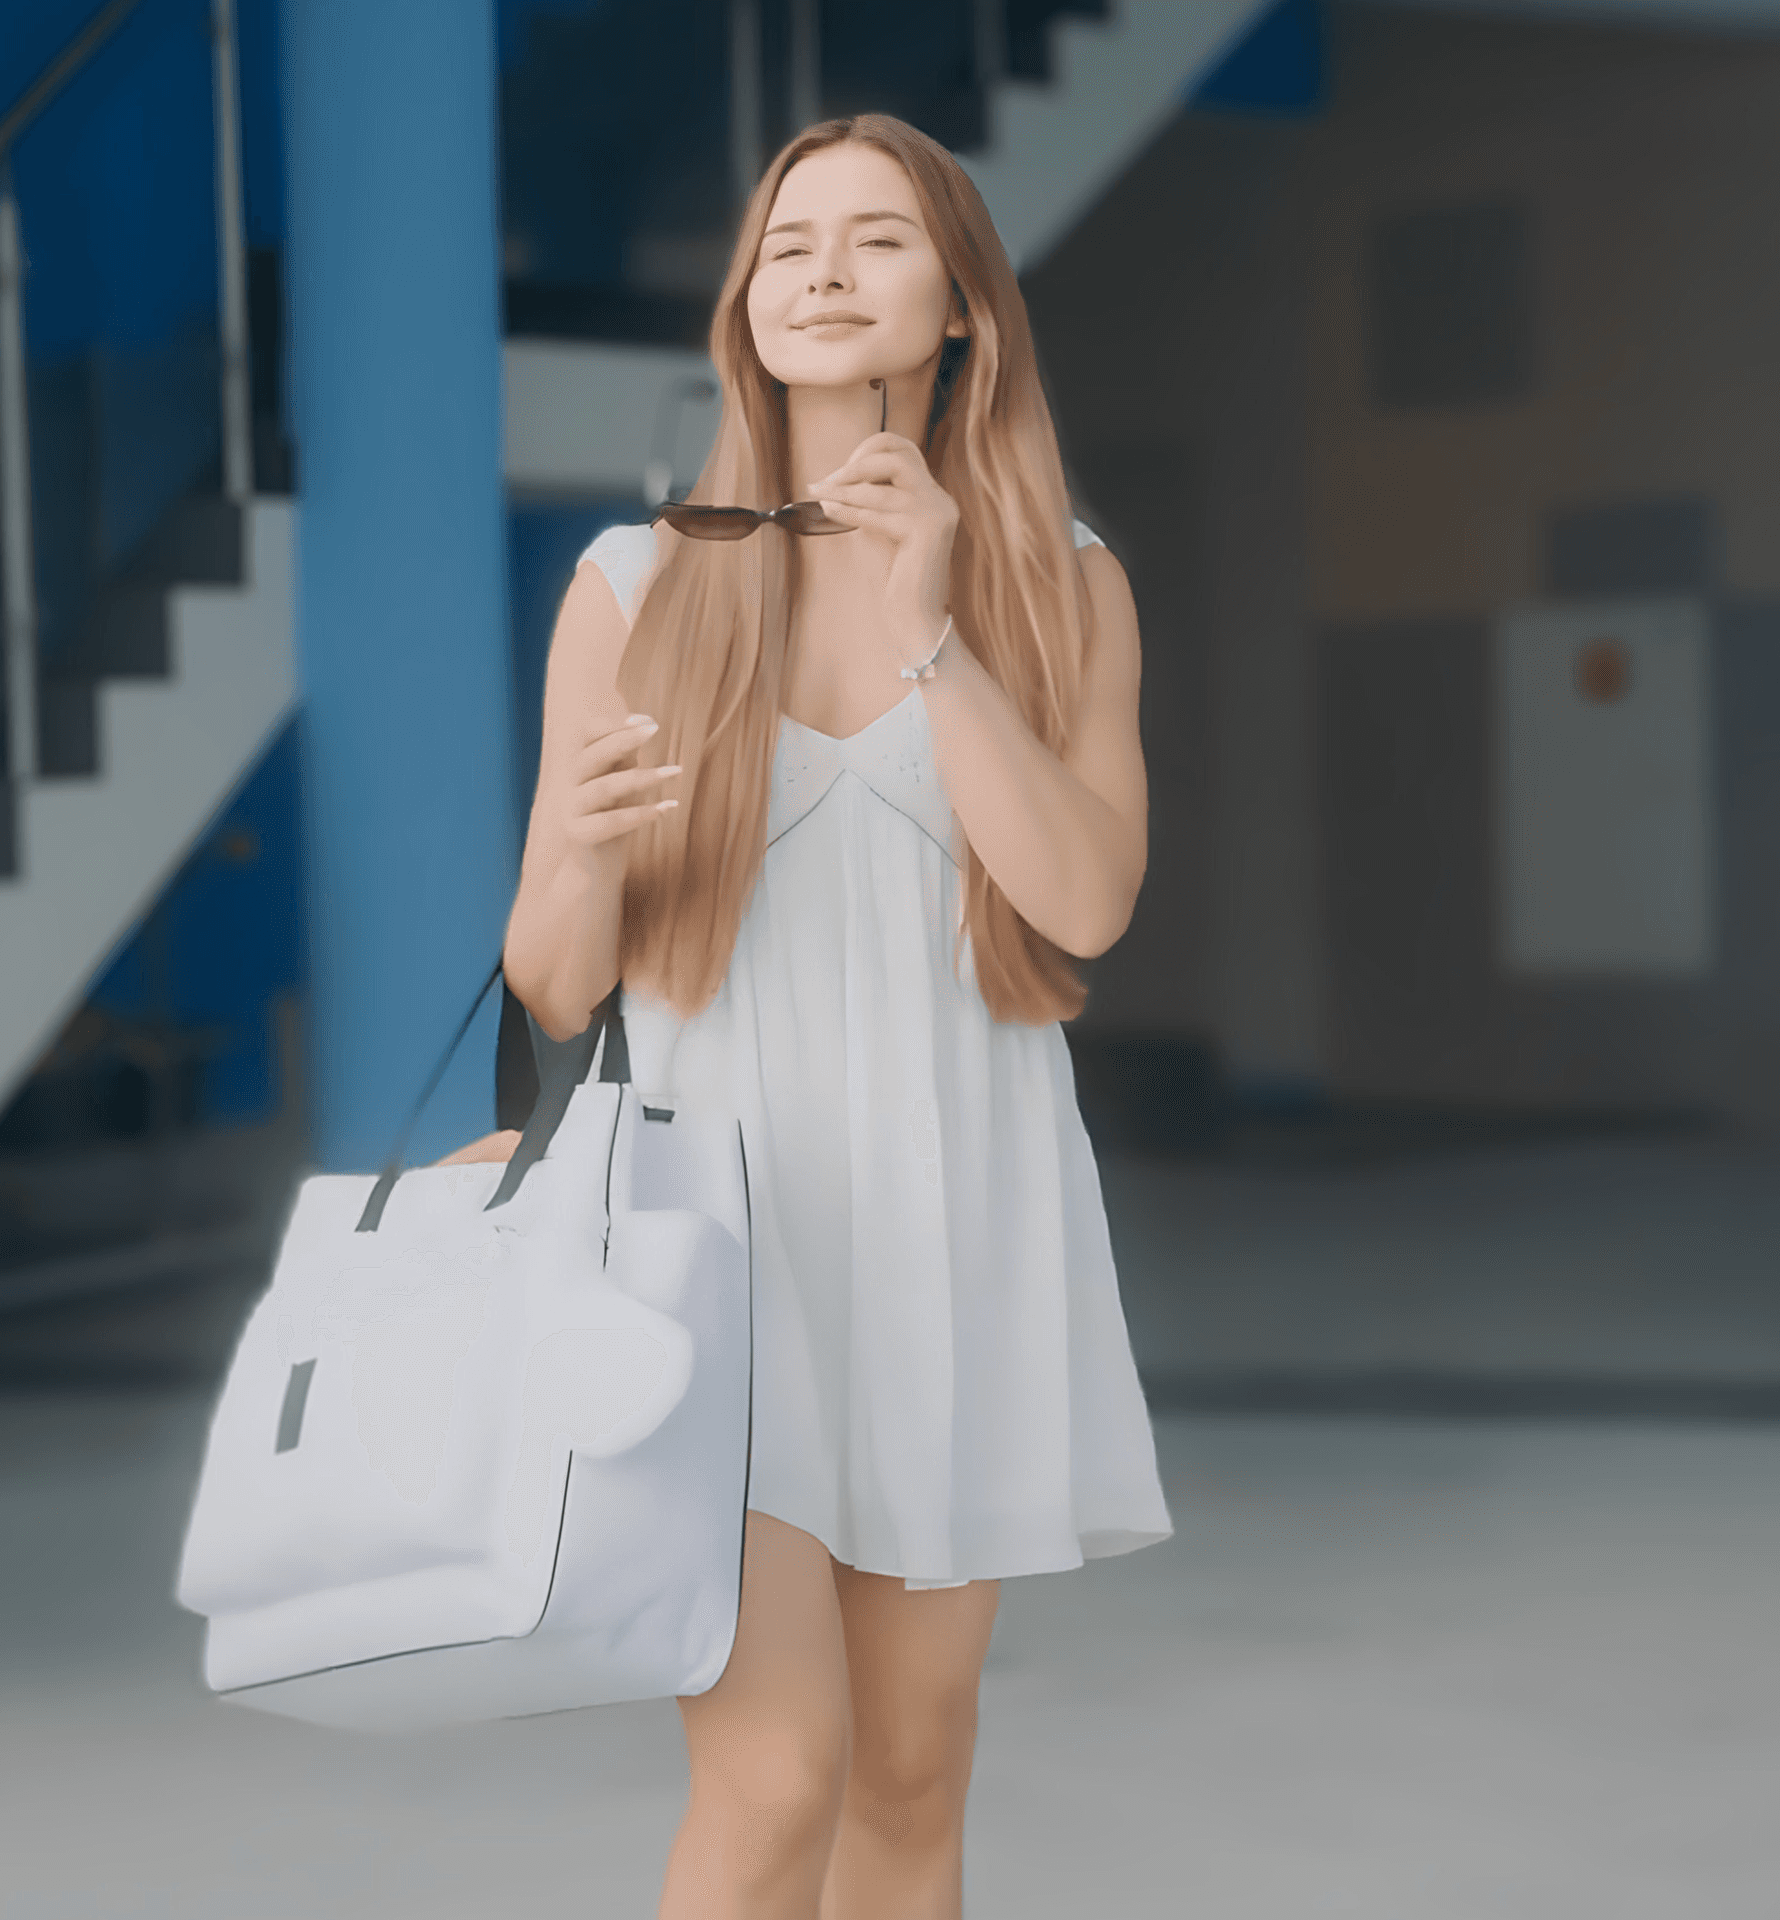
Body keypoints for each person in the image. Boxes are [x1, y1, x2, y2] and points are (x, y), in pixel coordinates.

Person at [491, 115, 1174, 1920]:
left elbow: (1085, 901)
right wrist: (575, 845)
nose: (819, 270)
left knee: (909, 1776)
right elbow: (555, 983)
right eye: (790, 242)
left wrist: (933, 630)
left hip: (963, 1226)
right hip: (715, 1247)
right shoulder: (635, 589)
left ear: (961, 309)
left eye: (877, 242)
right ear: (745, 302)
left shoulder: (1057, 585)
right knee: (776, 1773)